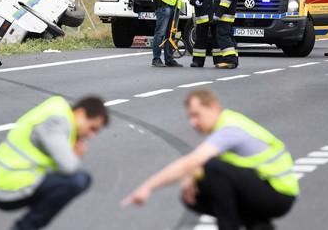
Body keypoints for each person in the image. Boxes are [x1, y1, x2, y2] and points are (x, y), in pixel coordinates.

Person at [121, 89, 298, 230]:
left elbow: (191, 162)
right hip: (267, 190)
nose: (193, 122)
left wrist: (147, 187)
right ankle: (258, 226)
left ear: (213, 107)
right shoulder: (226, 125)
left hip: (279, 193)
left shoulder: (228, 129)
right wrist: (193, 176)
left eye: (197, 115)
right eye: (190, 117)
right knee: (196, 193)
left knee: (213, 168)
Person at [0, 95, 109, 230]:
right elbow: (68, 167)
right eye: (92, 128)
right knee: (77, 180)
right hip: (6, 184)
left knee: (77, 180)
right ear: (81, 113)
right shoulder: (56, 120)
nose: (91, 136)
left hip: (12, 179)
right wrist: (75, 155)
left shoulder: (61, 118)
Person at [213, 0, 239, 69]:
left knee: (223, 37)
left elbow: (225, 1)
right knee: (228, 37)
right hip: (229, 15)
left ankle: (229, 60)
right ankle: (234, 58)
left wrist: (217, 14)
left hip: (225, 16)